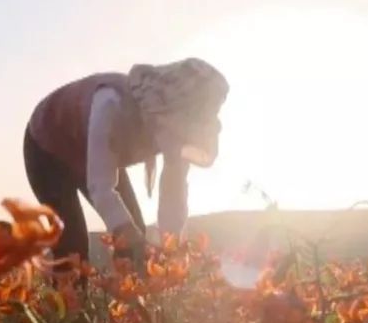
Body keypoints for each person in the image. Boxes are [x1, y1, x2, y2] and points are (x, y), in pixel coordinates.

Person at [23, 58, 228, 269]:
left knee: (135, 227)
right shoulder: (111, 105)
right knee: (72, 246)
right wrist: (124, 232)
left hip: (95, 148)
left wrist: (170, 247)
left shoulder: (177, 134)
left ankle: (131, 295)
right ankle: (72, 297)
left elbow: (173, 194)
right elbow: (101, 187)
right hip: (48, 149)